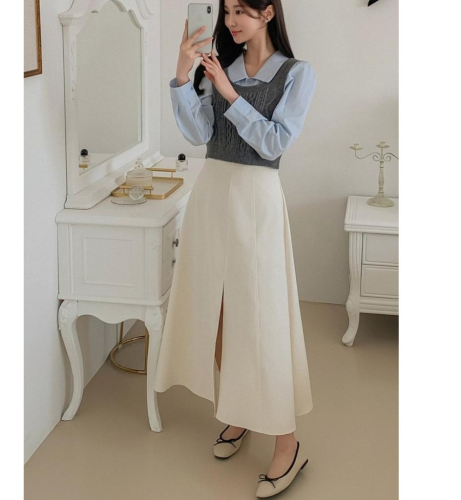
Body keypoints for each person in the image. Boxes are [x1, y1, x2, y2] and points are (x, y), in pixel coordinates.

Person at [153, 1, 317, 497]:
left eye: (241, 11)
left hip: (256, 200)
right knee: (219, 314)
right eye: (226, 12)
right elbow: (199, 133)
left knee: (263, 320)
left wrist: (230, 94)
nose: (230, 22)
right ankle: (240, 410)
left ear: (268, 13)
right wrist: (182, 77)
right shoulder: (218, 65)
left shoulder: (296, 73)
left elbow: (273, 143)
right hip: (211, 195)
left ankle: (287, 443)